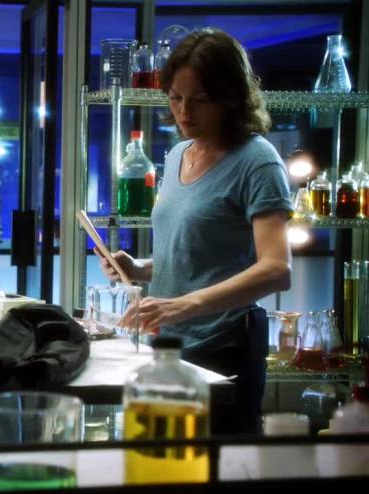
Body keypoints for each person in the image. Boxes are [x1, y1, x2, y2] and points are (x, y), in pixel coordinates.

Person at [99, 28, 292, 434]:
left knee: (216, 463)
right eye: (175, 97)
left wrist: (181, 305)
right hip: (167, 349)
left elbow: (276, 269)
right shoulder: (177, 155)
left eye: (200, 100)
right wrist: (139, 268)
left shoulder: (257, 161)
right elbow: (200, 253)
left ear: (231, 98)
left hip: (224, 347)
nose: (184, 112)